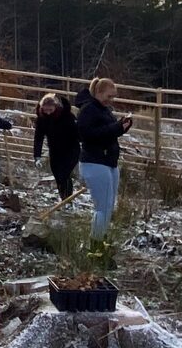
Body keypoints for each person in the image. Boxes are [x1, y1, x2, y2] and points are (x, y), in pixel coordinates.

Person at [74, 77, 134, 241]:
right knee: (102, 207)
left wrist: (122, 127)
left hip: (108, 161)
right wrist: (116, 127)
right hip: (95, 162)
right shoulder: (88, 110)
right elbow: (87, 135)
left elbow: (108, 133)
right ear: (99, 92)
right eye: (109, 96)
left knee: (108, 206)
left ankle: (101, 239)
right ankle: (96, 243)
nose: (111, 100)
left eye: (113, 96)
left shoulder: (103, 109)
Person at [32, 92, 81, 200]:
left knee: (64, 175)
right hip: (54, 151)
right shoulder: (42, 119)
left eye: (50, 110)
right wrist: (37, 156)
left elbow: (77, 133)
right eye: (45, 110)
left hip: (71, 149)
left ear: (56, 107)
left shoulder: (67, 116)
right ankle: (64, 199)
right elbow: (38, 138)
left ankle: (67, 200)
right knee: (58, 176)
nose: (48, 113)